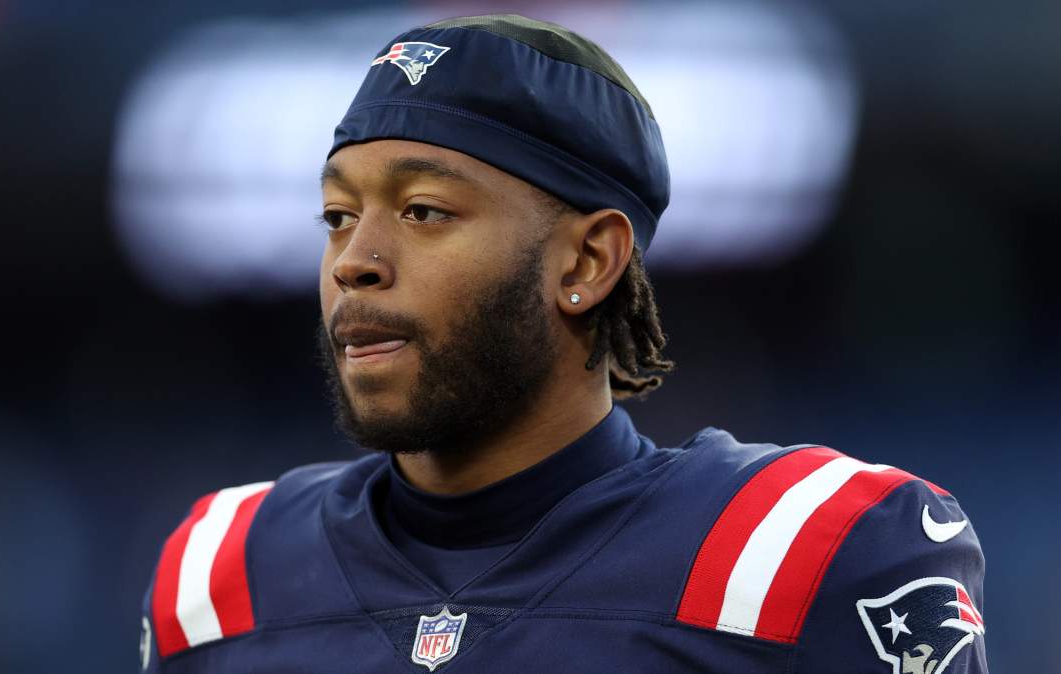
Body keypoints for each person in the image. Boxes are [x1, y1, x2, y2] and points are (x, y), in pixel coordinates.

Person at [139, 14, 987, 673]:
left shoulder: (803, 551)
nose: (353, 261)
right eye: (337, 216)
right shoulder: (221, 573)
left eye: (423, 211)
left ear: (586, 262)